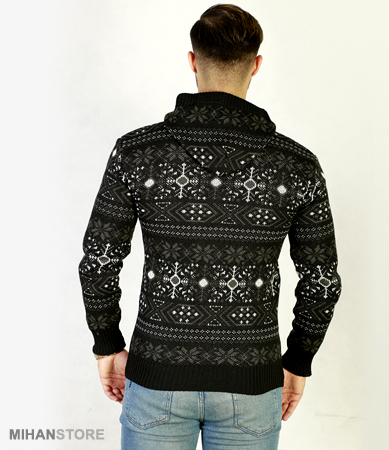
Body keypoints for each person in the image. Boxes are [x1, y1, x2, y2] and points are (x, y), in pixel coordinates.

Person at [79, 4, 341, 449]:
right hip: (252, 381)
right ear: (255, 65)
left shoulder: (136, 152)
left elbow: (99, 262)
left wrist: (107, 343)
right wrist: (298, 360)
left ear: (192, 61)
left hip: (157, 376)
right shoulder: (297, 165)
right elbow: (322, 280)